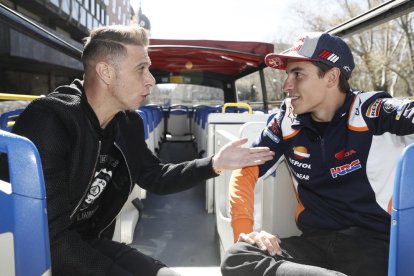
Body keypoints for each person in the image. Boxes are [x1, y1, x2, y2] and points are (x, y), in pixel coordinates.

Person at [0, 25, 275, 276]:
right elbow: (50, 240)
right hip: (36, 255)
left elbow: (154, 176)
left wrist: (215, 163)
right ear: (106, 72)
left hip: (86, 243)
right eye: (141, 69)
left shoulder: (127, 122)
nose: (151, 80)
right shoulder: (50, 121)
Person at [221, 32, 414, 276]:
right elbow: (245, 171)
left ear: (332, 77)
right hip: (314, 246)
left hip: (373, 246)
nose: (286, 85)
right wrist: (246, 234)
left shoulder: (371, 111)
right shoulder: (286, 122)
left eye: (298, 74)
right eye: (287, 74)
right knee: (237, 257)